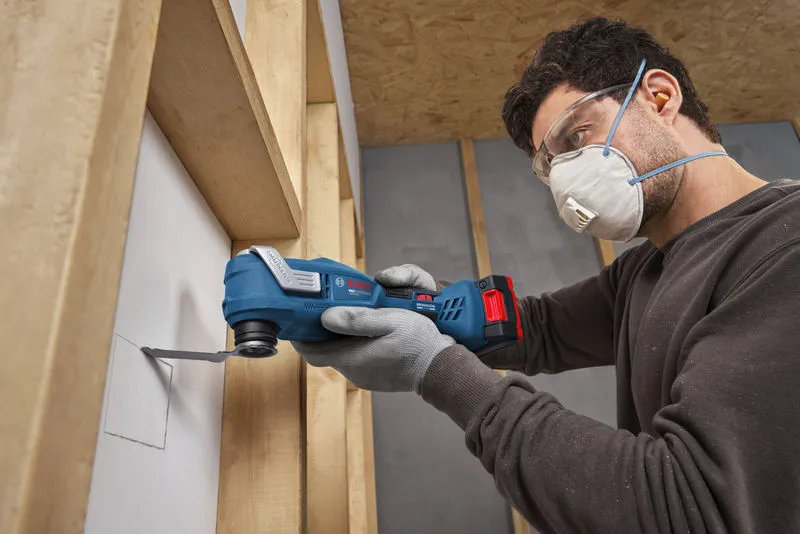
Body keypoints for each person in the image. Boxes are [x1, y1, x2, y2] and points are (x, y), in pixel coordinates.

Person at [294, 17, 800, 533]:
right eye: (552, 164)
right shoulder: (645, 267)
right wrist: (431, 307)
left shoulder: (785, 246)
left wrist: (436, 368)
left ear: (660, 97)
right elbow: (541, 329)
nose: (568, 181)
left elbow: (680, 509)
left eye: (577, 136)